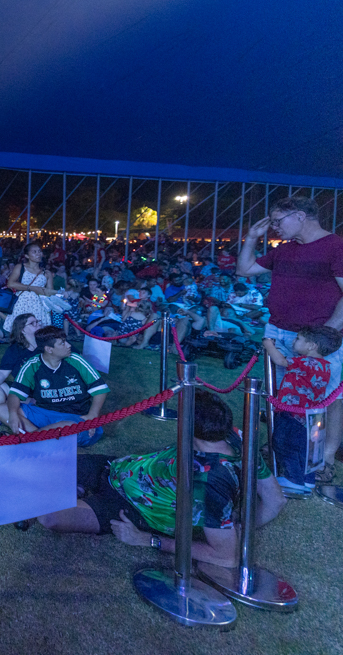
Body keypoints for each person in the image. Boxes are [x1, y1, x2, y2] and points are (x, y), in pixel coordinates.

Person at [35, 390, 286, 568]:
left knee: (50, 516)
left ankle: (69, 490)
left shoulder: (208, 482)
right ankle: (69, 486)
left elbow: (227, 557)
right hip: (118, 469)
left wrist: (148, 540)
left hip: (132, 509)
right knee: (41, 462)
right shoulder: (235, 437)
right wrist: (246, 525)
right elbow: (276, 501)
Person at [237, 196, 343, 480]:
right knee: (285, 396)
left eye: (277, 220)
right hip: (280, 331)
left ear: (299, 216)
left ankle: (324, 457)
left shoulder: (336, 246)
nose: (273, 227)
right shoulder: (284, 250)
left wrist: (327, 333)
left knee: (327, 399)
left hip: (318, 338)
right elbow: (244, 270)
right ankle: (284, 448)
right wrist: (250, 238)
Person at [264, 325, 343, 493]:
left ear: (311, 346)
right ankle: (308, 479)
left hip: (291, 412)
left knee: (285, 444)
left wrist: (269, 344)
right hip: (309, 416)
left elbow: (281, 361)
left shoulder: (305, 362)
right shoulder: (325, 366)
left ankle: (294, 480)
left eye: (298, 338)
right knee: (305, 448)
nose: (294, 341)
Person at [0, 325, 108, 446]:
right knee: (1, 409)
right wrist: (13, 414)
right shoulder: (32, 365)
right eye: (62, 343)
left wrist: (92, 416)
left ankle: (30, 440)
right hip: (45, 414)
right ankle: (40, 440)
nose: (69, 345)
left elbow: (100, 390)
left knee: (66, 427)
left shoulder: (76, 360)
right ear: (49, 349)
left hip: (76, 418)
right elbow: (14, 394)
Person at [0, 314, 40, 406]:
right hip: (21, 389)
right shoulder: (15, 349)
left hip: (44, 391)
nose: (37, 325)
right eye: (32, 323)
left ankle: (2, 411)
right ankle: (3, 409)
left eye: (37, 322)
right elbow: (2, 372)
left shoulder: (47, 345)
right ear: (23, 330)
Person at [3, 241, 56, 332]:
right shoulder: (21, 267)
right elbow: (11, 283)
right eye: (34, 252)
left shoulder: (46, 273)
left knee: (38, 331)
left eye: (39, 251)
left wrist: (59, 293)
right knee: (21, 330)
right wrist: (32, 288)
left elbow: (49, 292)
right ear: (27, 256)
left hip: (39, 304)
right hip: (22, 303)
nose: (38, 254)